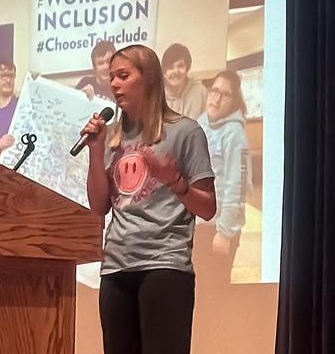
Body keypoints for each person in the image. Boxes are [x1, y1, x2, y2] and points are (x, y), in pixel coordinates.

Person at [81, 44, 217, 354]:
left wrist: (175, 181)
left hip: (165, 266)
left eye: (123, 75)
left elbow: (208, 208)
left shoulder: (185, 132)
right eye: (112, 77)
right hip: (116, 268)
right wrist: (96, 150)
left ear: (149, 78)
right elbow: (98, 206)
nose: (114, 83)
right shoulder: (111, 135)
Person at [195, 70, 252, 287]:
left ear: (234, 101)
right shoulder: (202, 122)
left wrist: (225, 232)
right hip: (199, 224)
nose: (216, 98)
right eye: (214, 91)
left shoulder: (235, 134)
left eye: (224, 95)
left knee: (214, 292)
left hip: (218, 228)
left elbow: (236, 188)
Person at [162, 43, 208, 119]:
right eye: (171, 67)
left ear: (187, 69)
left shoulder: (200, 92)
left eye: (180, 66)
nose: (176, 71)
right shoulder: (156, 94)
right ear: (164, 73)